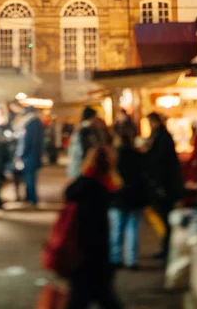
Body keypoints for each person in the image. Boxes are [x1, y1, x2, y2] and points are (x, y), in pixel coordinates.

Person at [65, 146, 123, 309]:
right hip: (93, 258)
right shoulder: (101, 190)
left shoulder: (81, 185)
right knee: (102, 297)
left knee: (81, 299)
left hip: (78, 253)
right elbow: (96, 231)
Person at [144, 112, 184, 260]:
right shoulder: (160, 137)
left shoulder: (162, 138)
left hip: (165, 185)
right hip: (165, 184)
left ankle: (168, 249)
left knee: (166, 218)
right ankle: (167, 247)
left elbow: (162, 162)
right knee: (165, 218)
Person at [109, 128, 147, 269]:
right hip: (135, 196)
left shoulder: (113, 157)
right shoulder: (138, 156)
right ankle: (131, 260)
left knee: (116, 229)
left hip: (118, 197)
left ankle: (115, 258)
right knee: (133, 229)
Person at [67, 107, 111, 180]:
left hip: (78, 155)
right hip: (83, 156)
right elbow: (86, 145)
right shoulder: (87, 127)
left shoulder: (81, 126)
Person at [15, 105, 44, 206]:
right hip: (34, 155)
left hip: (29, 156)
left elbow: (27, 141)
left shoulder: (31, 123)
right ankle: (30, 198)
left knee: (30, 178)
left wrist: (21, 154)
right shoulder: (37, 122)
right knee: (30, 178)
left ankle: (32, 199)